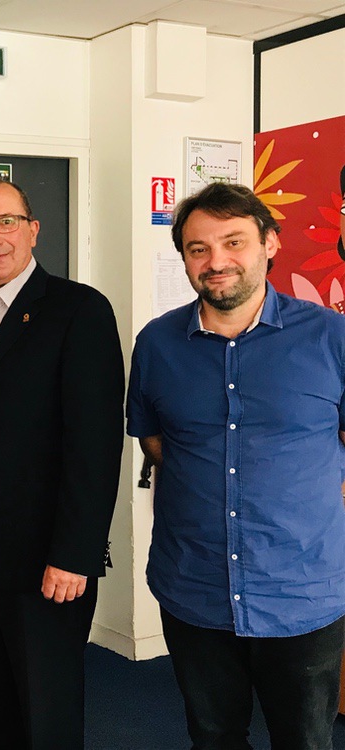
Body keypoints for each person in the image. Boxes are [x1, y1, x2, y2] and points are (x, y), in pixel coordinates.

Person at [127, 182, 345, 750]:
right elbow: (154, 440)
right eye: (198, 248)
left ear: (270, 243)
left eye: (234, 241)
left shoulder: (330, 337)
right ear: (184, 258)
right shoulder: (156, 344)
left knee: (305, 740)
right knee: (214, 736)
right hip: (193, 585)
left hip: (301, 590)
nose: (216, 260)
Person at [0, 178, 124, 749]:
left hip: (48, 562)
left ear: (32, 230)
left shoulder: (78, 310)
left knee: (46, 716)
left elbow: (95, 446)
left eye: (5, 222)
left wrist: (74, 554)